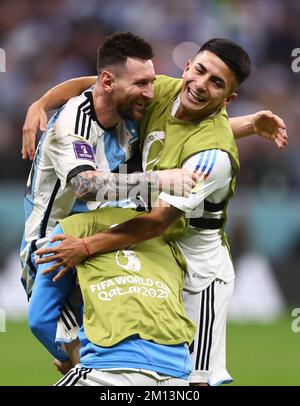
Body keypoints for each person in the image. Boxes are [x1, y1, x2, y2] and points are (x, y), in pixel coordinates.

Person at [26, 37, 287, 385]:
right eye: (200, 71)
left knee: (195, 381)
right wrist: (41, 103)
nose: (200, 85)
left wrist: (86, 246)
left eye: (216, 83)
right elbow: (97, 83)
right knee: (133, 360)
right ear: (188, 66)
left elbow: (158, 220)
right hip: (156, 254)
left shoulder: (213, 158)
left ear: (229, 99)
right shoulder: (161, 90)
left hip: (196, 268)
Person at [21, 32, 197, 365]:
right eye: (142, 84)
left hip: (105, 234)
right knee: (49, 328)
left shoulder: (128, 105)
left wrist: (247, 125)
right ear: (108, 82)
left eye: (151, 82)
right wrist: (160, 179)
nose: (150, 92)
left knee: (119, 339)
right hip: (52, 241)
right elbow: (87, 186)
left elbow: (196, 126)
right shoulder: (72, 126)